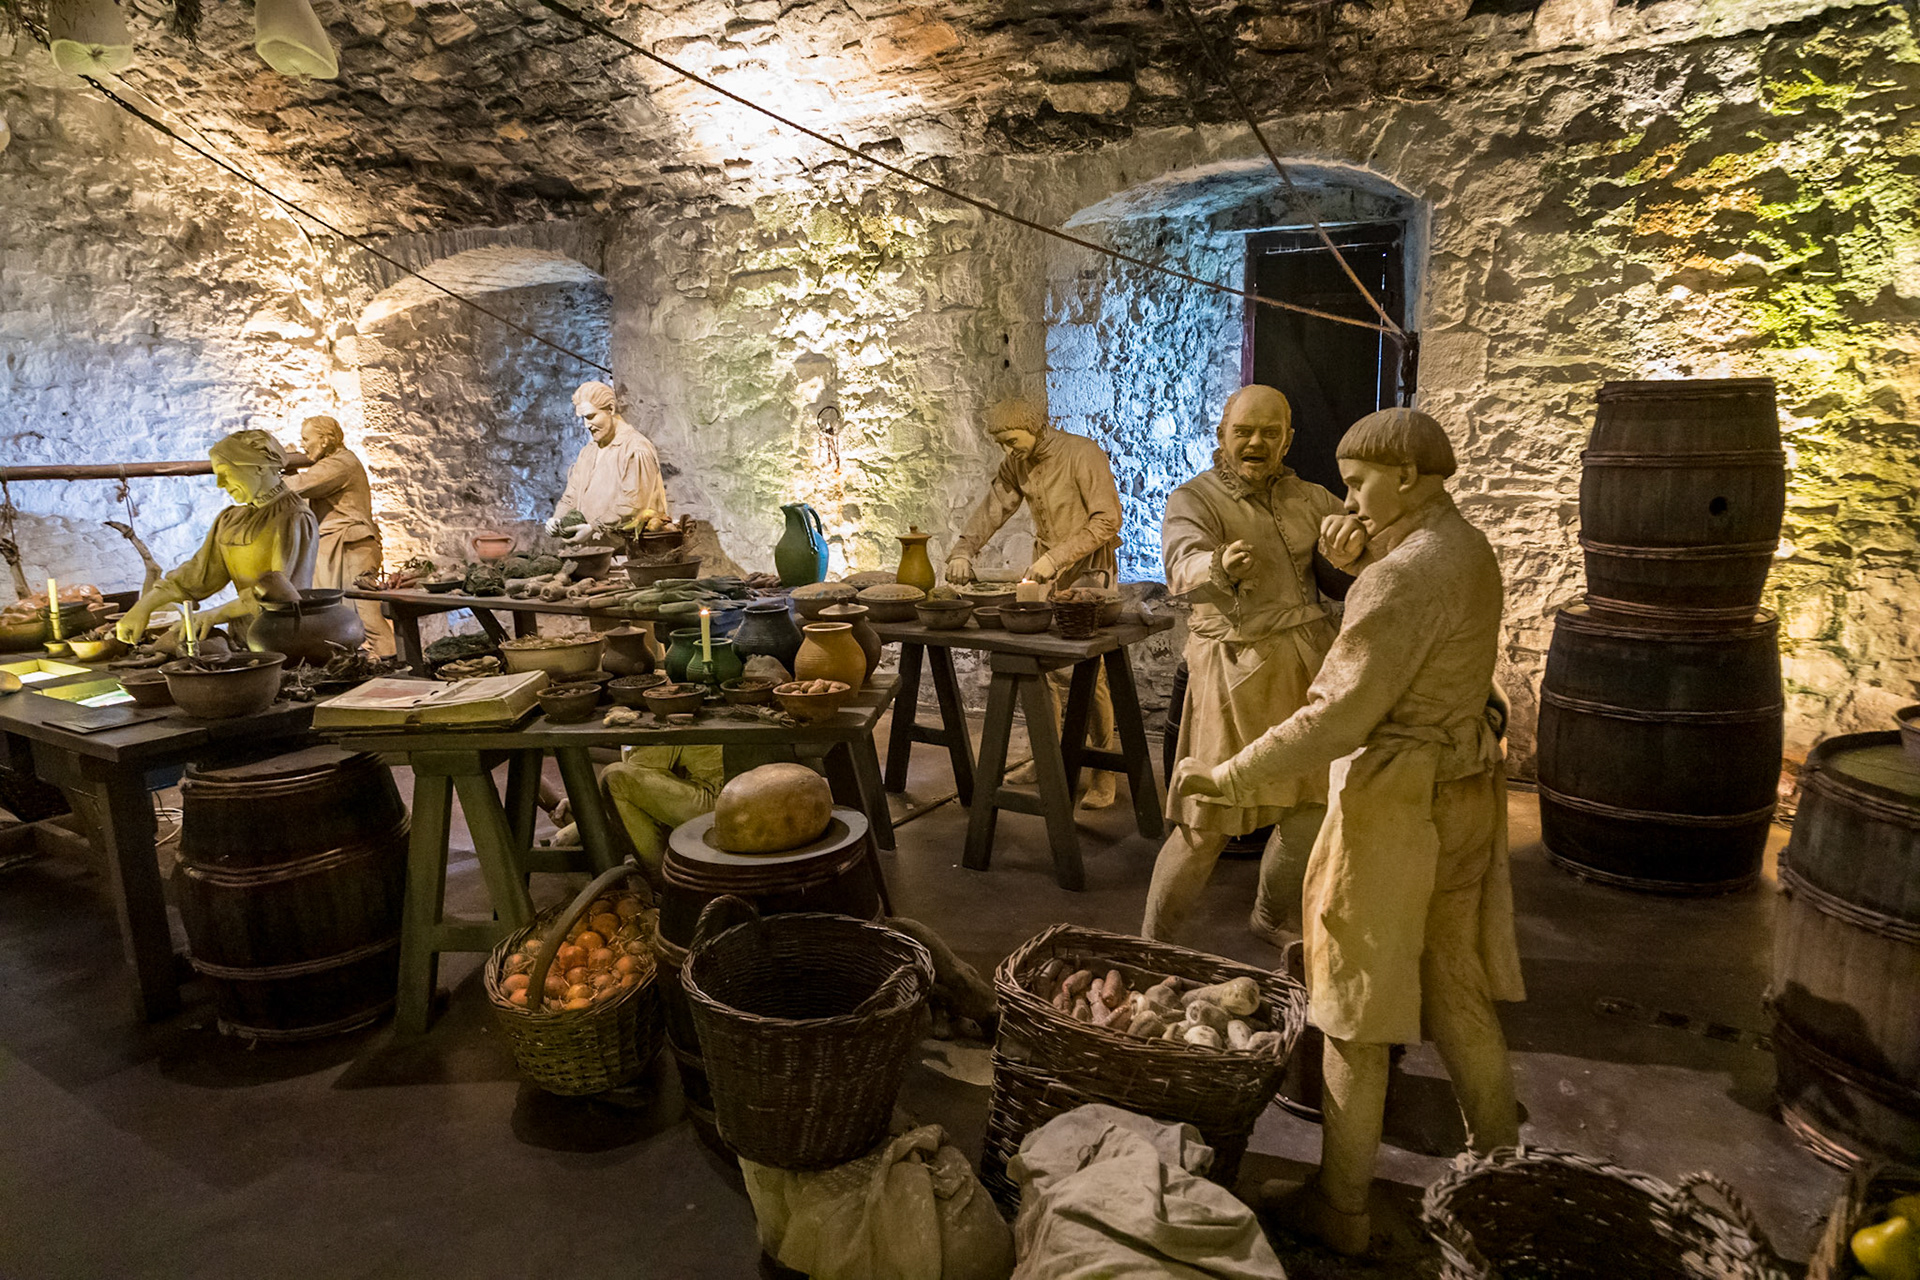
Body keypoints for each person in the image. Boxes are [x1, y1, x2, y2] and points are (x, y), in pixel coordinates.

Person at [1173, 407, 1525, 1257]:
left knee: (1350, 1015)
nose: (1353, 501)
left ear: (1409, 477)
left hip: (1399, 808)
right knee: (1455, 984)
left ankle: (1344, 1207)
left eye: (1363, 482)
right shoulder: (1465, 547)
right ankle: (1505, 1179)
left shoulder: (1404, 574)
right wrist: (1365, 558)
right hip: (1463, 793)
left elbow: (1336, 717)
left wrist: (1226, 774)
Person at [1143, 385, 1347, 946]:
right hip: (1232, 669)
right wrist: (1218, 564)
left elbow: (1362, 535)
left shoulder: (1309, 497)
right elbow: (1181, 562)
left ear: (1287, 440)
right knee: (1205, 819)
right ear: (1222, 436)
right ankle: (1152, 941)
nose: (1256, 442)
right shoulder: (1197, 498)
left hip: (1306, 668)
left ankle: (1269, 917)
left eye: (1269, 432)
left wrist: (1359, 540)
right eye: (1244, 431)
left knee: (1309, 806)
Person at [945, 398, 1125, 808]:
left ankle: (1102, 769)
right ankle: (1049, 759)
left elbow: (1107, 519)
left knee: (1088, 672)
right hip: (1046, 568)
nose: (1009, 450)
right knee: (1041, 667)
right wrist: (963, 551)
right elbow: (993, 508)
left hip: (1087, 571)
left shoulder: (1083, 454)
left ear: (1036, 427)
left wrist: (1055, 559)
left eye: (1013, 440)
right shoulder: (1016, 463)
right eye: (1002, 444)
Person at [113, 430, 318, 647]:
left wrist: (214, 614)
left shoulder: (294, 518)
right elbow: (196, 577)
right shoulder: (231, 520)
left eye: (226, 472)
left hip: (284, 640)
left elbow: (282, 594)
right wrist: (142, 607)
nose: (220, 483)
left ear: (259, 468)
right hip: (242, 639)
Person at [284, 415, 393, 655]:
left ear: (324, 440)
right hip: (338, 545)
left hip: (350, 546)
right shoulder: (332, 462)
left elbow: (297, 486)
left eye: (306, 439)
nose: (303, 445)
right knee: (341, 615)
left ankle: (394, 665)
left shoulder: (339, 464)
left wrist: (270, 471)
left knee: (366, 616)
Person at [546, 381, 668, 542]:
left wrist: (593, 527)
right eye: (583, 418)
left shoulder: (636, 449)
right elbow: (571, 496)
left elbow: (633, 505)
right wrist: (557, 519)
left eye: (591, 416)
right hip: (594, 552)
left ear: (610, 409)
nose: (586, 425)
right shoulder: (588, 452)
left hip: (630, 553)